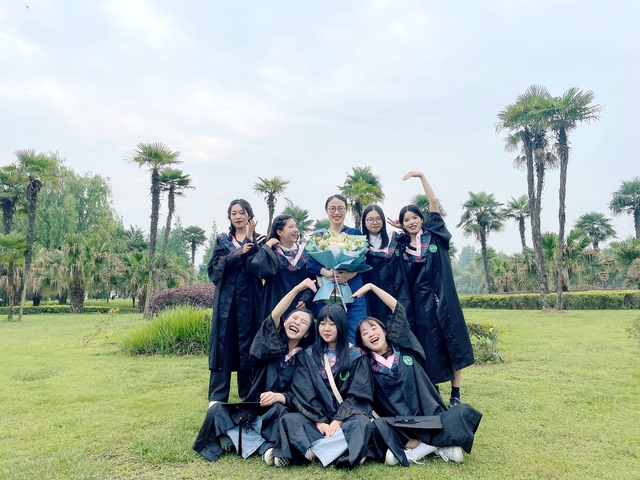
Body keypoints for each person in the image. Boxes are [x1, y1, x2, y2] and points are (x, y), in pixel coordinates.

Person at [352, 283, 482, 466]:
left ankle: (416, 452)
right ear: (363, 343)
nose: (371, 333)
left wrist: (372, 287)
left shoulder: (405, 347)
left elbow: (397, 309)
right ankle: (440, 446)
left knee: (464, 412)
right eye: (365, 333)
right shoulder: (366, 367)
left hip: (431, 417)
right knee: (377, 426)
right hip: (404, 424)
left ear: (385, 331)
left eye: (374, 328)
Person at [193, 278, 317, 462]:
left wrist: (280, 397)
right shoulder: (271, 346)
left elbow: (303, 393)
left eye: (303, 322)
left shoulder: (304, 359)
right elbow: (274, 315)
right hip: (254, 409)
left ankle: (239, 439)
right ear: (285, 322)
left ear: (307, 333)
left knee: (280, 414)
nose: (297, 322)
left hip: (277, 412)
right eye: (294, 318)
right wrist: (298, 288)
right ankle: (261, 446)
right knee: (217, 410)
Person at [394, 172, 475, 406]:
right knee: (430, 348)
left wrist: (421, 176)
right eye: (406, 220)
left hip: (445, 299)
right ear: (402, 224)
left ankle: (456, 394)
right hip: (422, 306)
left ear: (422, 219)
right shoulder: (402, 247)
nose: (411, 222)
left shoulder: (435, 235)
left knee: (453, 345)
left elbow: (433, 202)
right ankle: (434, 393)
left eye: (414, 217)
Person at [270, 303, 374, 468]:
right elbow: (304, 390)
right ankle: (344, 450)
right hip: (316, 418)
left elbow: (359, 392)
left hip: (346, 418)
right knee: (289, 420)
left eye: (332, 324)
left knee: (362, 423)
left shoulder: (356, 355)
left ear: (341, 326)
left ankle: (313, 452)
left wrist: (338, 421)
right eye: (323, 323)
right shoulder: (307, 355)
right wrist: (319, 421)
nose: (327, 328)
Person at [207, 199, 264, 403]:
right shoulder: (223, 240)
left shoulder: (260, 240)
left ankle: (248, 395)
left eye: (241, 212)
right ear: (229, 217)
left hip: (251, 301)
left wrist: (251, 241)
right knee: (223, 345)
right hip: (226, 303)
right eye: (233, 213)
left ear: (249, 215)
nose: (238, 216)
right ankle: (217, 397)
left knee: (249, 344)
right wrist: (238, 253)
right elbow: (214, 269)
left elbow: (260, 268)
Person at [307, 194, 367, 342]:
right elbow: (311, 264)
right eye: (332, 208)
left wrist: (349, 275)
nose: (336, 212)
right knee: (329, 329)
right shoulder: (318, 236)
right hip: (327, 289)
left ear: (346, 210)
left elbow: (363, 260)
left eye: (341, 208)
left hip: (353, 288)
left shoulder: (354, 233)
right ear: (326, 210)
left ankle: (355, 356)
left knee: (356, 328)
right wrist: (326, 273)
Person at [250, 214, 314, 322]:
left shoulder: (304, 253)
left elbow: (312, 280)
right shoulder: (271, 253)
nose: (296, 230)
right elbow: (259, 268)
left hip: (299, 307)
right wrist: (267, 246)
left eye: (295, 226)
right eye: (291, 227)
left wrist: (305, 299)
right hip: (275, 306)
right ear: (280, 232)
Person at [361, 204, 401, 322]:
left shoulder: (395, 239)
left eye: (378, 218)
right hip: (373, 294)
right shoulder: (360, 246)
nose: (375, 222)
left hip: (397, 290)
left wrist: (403, 227)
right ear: (364, 222)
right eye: (370, 219)